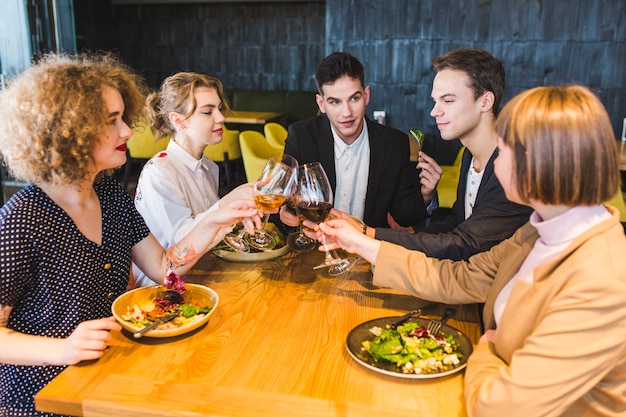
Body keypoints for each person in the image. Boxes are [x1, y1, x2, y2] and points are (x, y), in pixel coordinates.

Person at [318, 85, 626, 416]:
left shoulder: (601, 284)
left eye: (502, 149)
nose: (495, 160)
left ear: (538, 163)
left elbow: (499, 407)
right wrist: (362, 243)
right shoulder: (537, 231)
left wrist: (487, 344)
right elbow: (462, 276)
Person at [0, 53, 258, 417]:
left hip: (107, 368)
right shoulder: (23, 218)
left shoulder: (109, 195)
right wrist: (63, 349)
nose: (127, 131)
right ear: (70, 131)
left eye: (124, 117)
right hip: (44, 394)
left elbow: (165, 267)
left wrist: (219, 219)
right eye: (112, 121)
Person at [331, 48, 532, 261]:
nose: (434, 111)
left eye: (447, 100)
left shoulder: (513, 167)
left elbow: (465, 243)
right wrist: (402, 236)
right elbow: (456, 223)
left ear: (485, 101)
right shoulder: (470, 157)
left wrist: (366, 233)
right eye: (436, 101)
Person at [279, 51, 439, 229]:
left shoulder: (395, 144)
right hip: (316, 245)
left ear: (366, 96)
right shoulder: (301, 136)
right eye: (335, 102)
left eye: (354, 98)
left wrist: (426, 194)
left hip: (366, 249)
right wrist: (284, 211)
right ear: (321, 104)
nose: (346, 112)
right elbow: (284, 200)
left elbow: (403, 216)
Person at [133, 72, 254, 287]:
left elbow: (209, 235)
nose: (221, 118)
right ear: (178, 120)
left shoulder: (208, 167)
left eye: (219, 108)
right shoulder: (159, 172)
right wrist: (227, 203)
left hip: (203, 273)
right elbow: (182, 242)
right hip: (163, 289)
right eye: (208, 112)